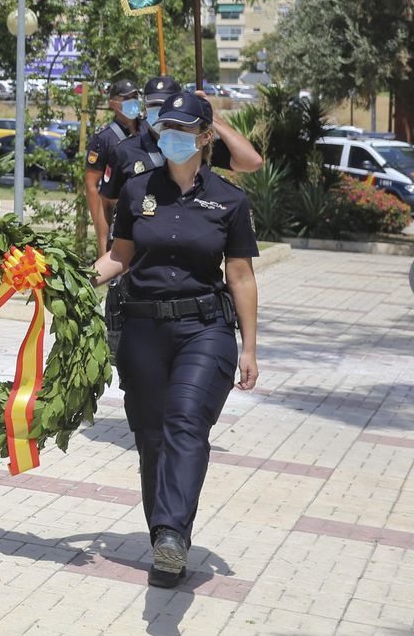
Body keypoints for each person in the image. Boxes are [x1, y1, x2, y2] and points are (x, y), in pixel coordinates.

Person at [94, 92, 260, 587]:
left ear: (206, 137)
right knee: (150, 438)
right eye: (166, 127)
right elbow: (119, 256)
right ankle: (164, 541)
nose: (171, 136)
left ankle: (171, 533)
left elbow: (241, 275)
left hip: (205, 328)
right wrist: (72, 281)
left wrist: (249, 346)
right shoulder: (137, 189)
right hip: (142, 328)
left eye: (183, 129)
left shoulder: (229, 199)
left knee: (185, 423)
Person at [99, 75, 262, 212]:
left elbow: (252, 162)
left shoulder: (196, 144)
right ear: (145, 106)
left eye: (164, 105)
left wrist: (210, 116)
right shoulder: (126, 149)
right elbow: (108, 203)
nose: (160, 112)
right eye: (153, 105)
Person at [85, 77, 142, 258]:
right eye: (126, 99)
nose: (132, 102)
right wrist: (101, 231)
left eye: (135, 97)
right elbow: (92, 186)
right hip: (118, 213)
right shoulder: (104, 139)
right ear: (113, 104)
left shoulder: (148, 131)